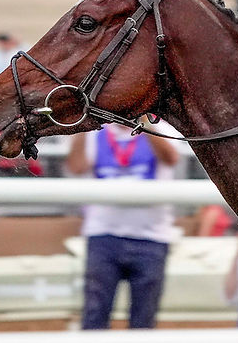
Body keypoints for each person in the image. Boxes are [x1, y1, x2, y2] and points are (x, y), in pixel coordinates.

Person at [66, 120, 179, 330]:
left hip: (152, 237)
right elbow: (76, 166)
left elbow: (171, 159)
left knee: (144, 319)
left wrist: (144, 121)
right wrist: (82, 125)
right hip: (103, 234)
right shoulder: (94, 132)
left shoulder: (162, 129)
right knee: (94, 315)